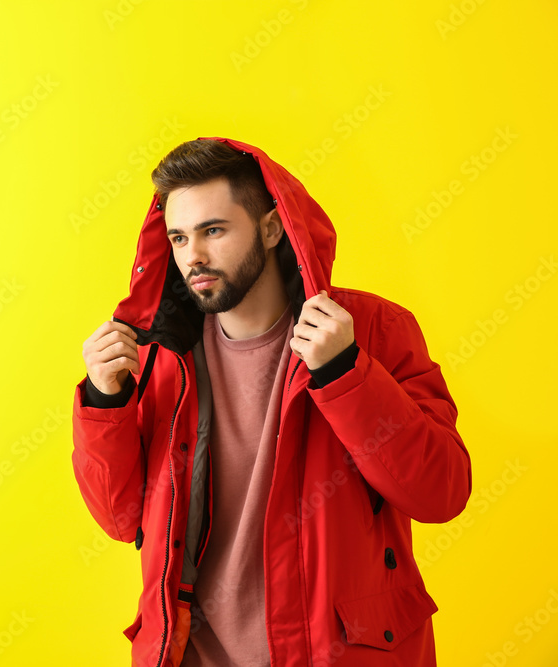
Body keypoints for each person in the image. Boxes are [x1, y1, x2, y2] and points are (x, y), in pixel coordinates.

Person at [71, 137, 472, 666]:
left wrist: (345, 373)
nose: (193, 255)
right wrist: (104, 399)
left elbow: (440, 492)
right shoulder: (157, 358)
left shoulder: (373, 331)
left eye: (213, 230)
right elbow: (121, 519)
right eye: (178, 237)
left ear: (270, 227)